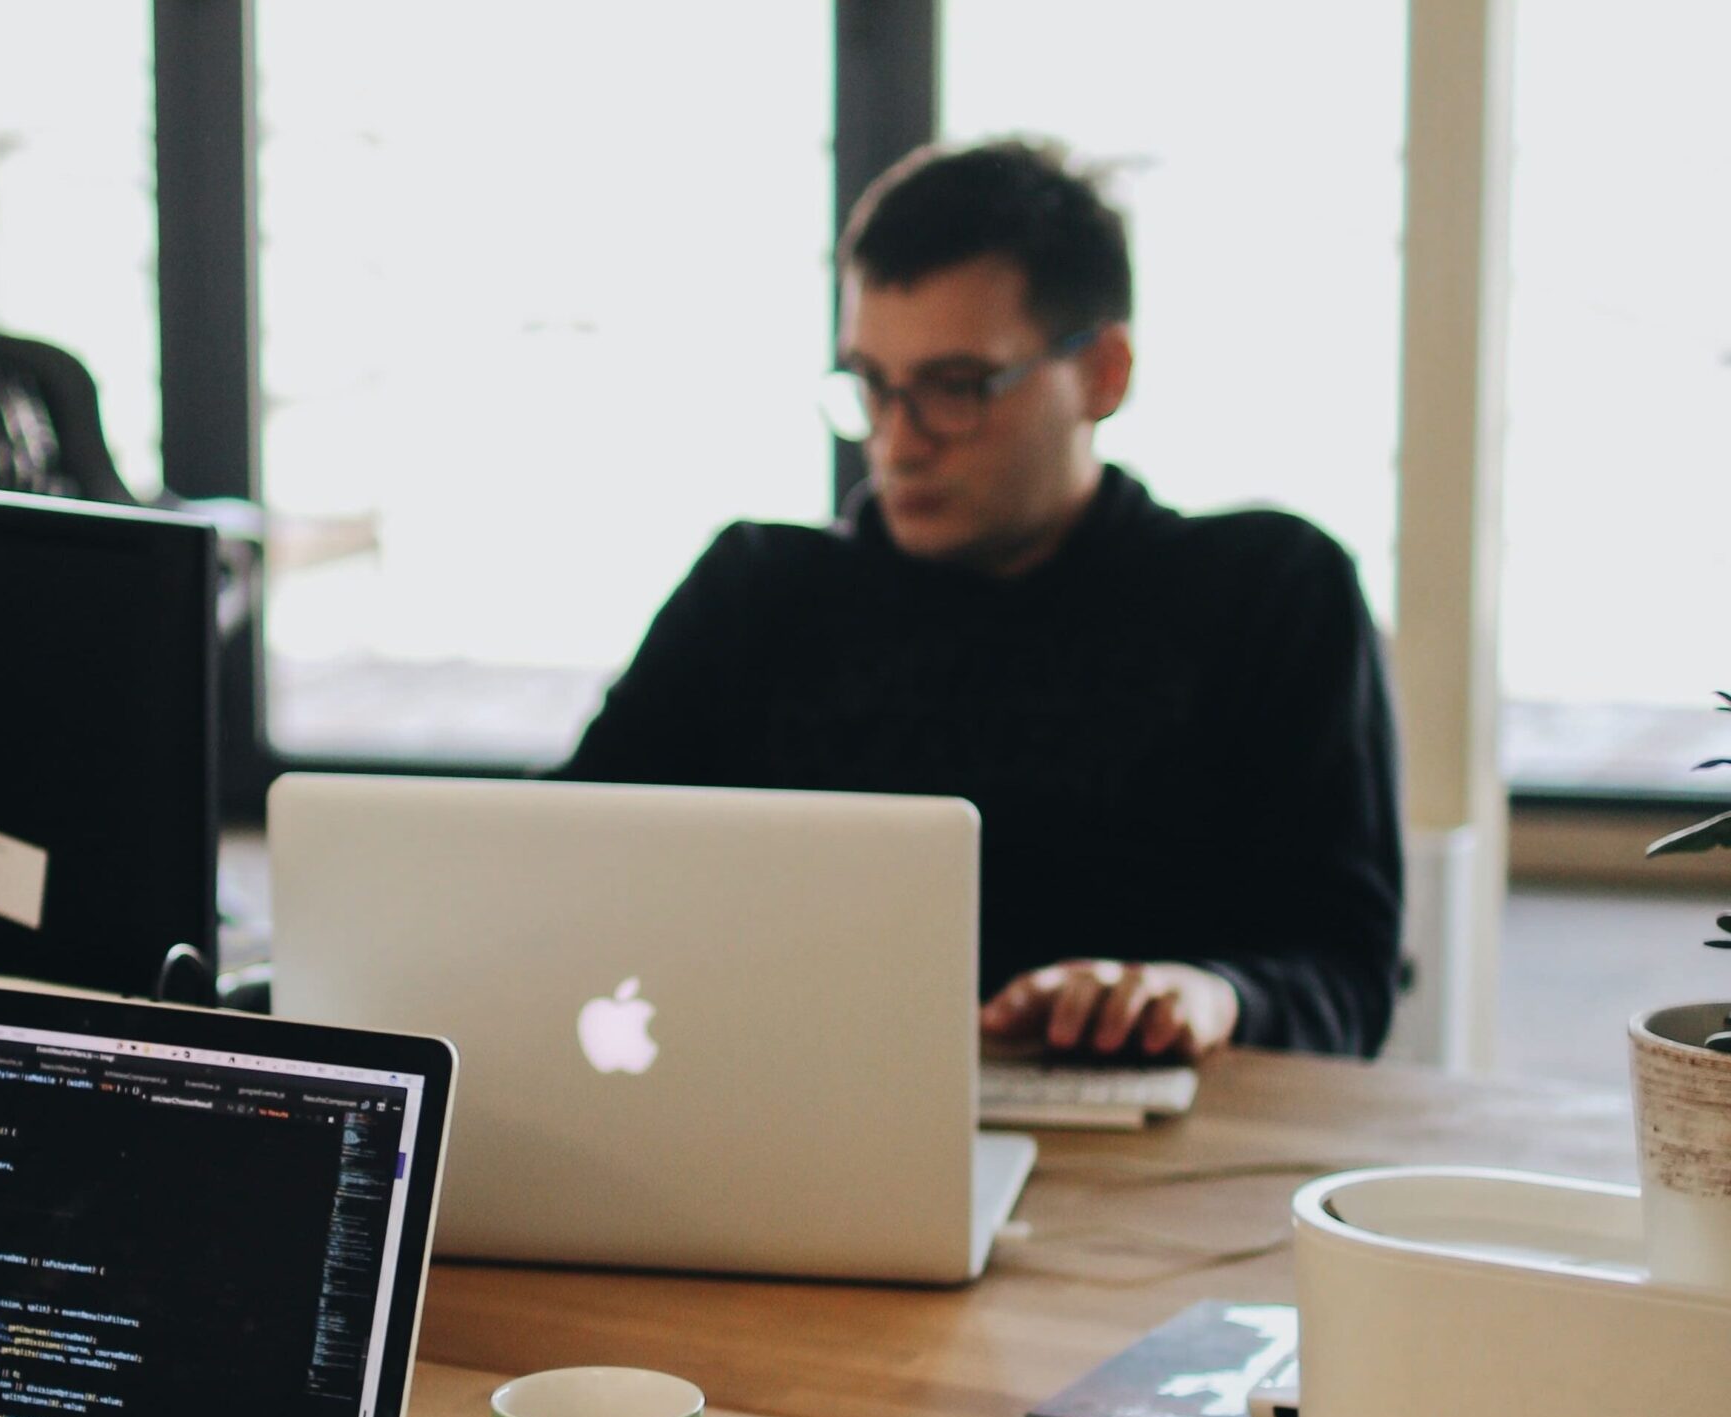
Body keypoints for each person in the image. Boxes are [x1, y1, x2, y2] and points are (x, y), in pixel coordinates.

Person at [552, 138, 1402, 1060]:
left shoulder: (1268, 594)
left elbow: (1345, 979)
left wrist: (1210, 995)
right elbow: (552, 871)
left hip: (1156, 1165)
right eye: (873, 386)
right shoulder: (755, 594)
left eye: (956, 388)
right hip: (790, 1131)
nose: (898, 443)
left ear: (1104, 374)